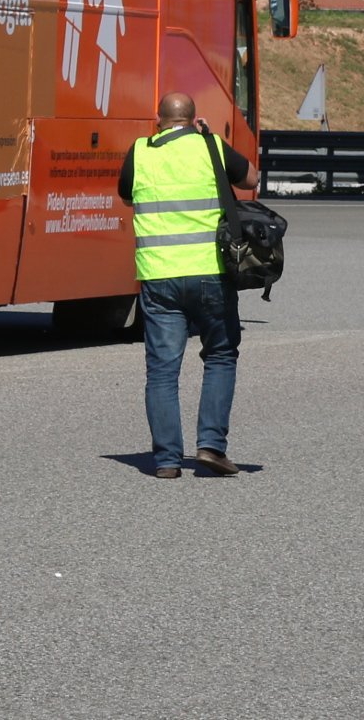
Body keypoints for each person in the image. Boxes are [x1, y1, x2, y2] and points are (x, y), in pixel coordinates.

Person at [116, 91, 252, 479]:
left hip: (158, 277)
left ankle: (166, 461)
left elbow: (126, 197)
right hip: (210, 272)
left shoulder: (139, 152)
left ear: (156, 119)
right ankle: (210, 445)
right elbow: (252, 178)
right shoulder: (211, 147)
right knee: (221, 355)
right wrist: (211, 141)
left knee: (161, 370)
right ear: (194, 119)